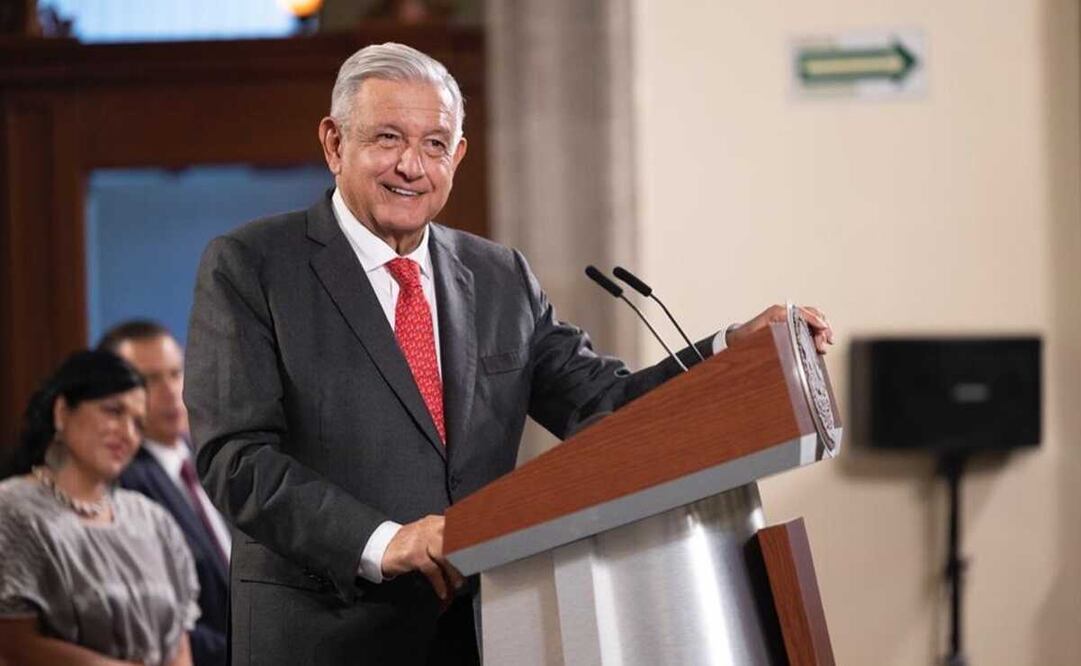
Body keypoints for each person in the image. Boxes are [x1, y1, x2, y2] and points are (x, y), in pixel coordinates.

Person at [184, 42, 834, 666]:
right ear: (333, 142)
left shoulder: (498, 276)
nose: (412, 165)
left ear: (457, 155)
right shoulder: (252, 267)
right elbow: (235, 458)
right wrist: (387, 542)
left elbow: (605, 407)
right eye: (387, 138)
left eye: (434, 145)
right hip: (323, 637)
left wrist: (730, 356)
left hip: (483, 631)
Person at [0, 350, 200, 666]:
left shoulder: (153, 520)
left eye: (138, 423)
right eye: (113, 411)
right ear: (63, 411)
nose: (127, 433)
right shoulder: (11, 510)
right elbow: (14, 646)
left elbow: (180, 646)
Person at [99, 321, 229, 666]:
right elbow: (156, 618)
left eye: (175, 373)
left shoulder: (218, 457)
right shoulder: (120, 484)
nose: (171, 392)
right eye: (148, 380)